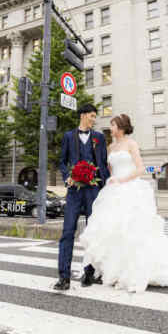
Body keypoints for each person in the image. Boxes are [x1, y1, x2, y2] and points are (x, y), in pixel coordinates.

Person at [78, 114, 168, 293]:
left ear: (122, 127)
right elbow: (109, 169)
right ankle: (116, 268)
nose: (111, 128)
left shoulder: (131, 144)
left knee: (132, 230)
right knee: (113, 230)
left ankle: (137, 268)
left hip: (129, 187)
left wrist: (122, 180)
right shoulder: (110, 147)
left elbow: (140, 168)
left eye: (114, 125)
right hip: (113, 189)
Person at [54, 104, 111, 291]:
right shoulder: (68, 136)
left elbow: (102, 162)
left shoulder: (99, 138)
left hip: (93, 191)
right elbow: (62, 162)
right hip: (74, 192)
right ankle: (64, 277)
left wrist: (102, 184)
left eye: (95, 116)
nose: (94, 119)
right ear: (83, 116)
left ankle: (89, 272)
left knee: (93, 233)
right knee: (68, 232)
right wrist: (67, 177)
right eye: (92, 116)